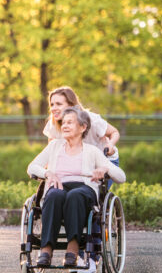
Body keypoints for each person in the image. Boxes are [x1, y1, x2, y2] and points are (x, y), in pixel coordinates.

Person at [27, 107, 126, 268]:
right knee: (53, 196)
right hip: (59, 186)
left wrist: (106, 169)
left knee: (75, 195)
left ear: (83, 127)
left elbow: (122, 177)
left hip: (84, 189)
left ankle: (72, 250)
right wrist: (47, 173)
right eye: (63, 123)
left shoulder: (92, 151)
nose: (64, 126)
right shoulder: (54, 146)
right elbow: (32, 167)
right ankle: (46, 250)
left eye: (70, 122)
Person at [43, 86, 121, 188]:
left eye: (59, 104)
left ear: (71, 105)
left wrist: (110, 144)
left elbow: (114, 132)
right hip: (76, 160)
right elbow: (52, 145)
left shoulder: (91, 120)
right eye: (52, 104)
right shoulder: (53, 123)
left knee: (93, 191)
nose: (53, 108)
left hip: (102, 160)